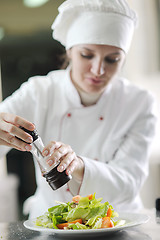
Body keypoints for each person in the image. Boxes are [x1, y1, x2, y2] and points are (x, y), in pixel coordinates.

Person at [0, 0, 158, 219]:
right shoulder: (40, 92)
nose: (98, 69)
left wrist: (78, 165)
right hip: (51, 222)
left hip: (115, 222)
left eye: (112, 59)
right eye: (87, 55)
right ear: (70, 51)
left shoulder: (139, 103)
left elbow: (129, 181)